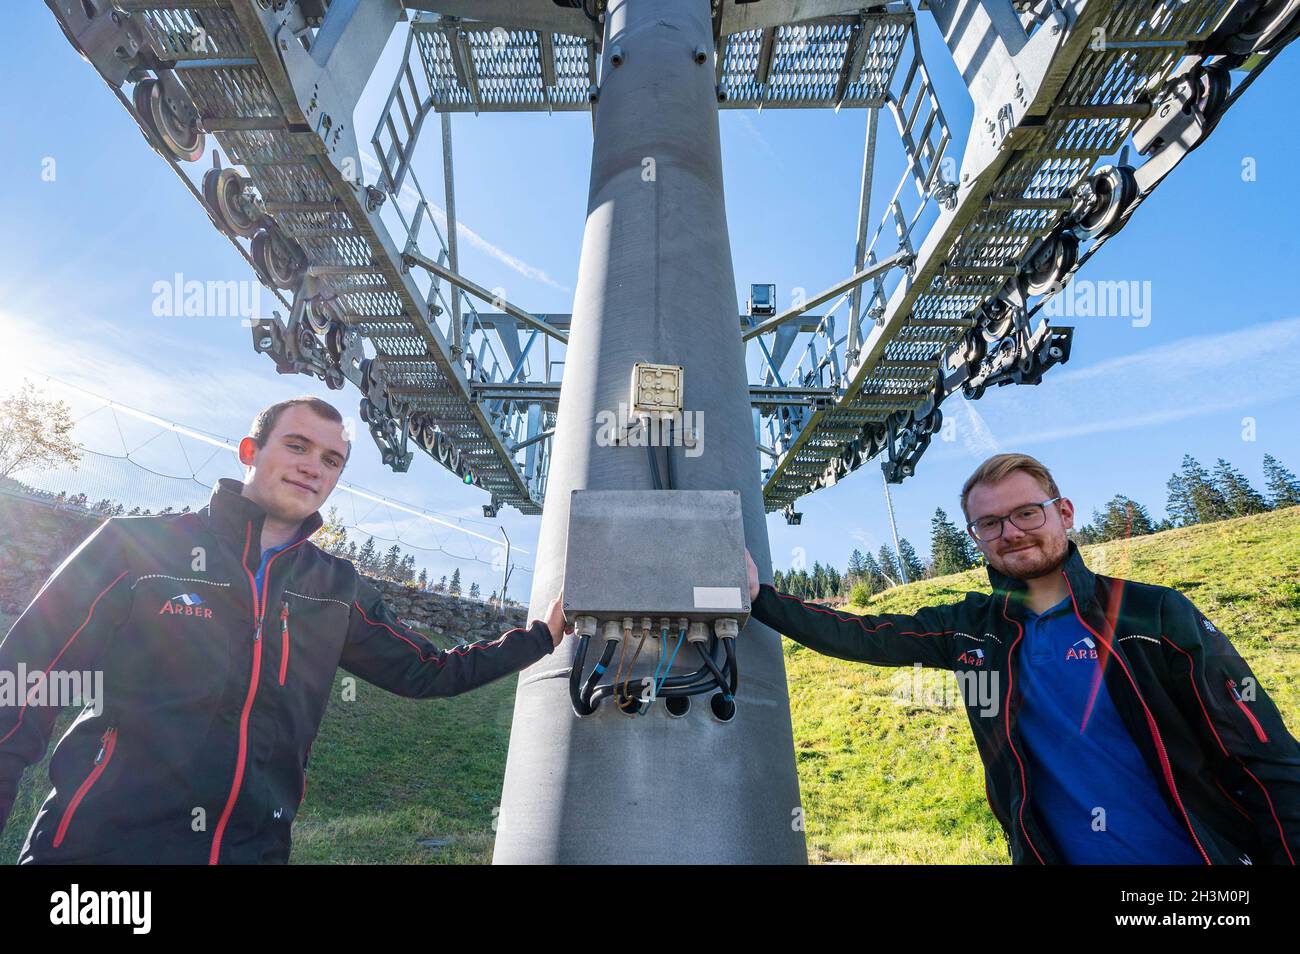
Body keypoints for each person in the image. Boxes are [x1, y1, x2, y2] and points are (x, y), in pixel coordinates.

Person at [0, 395, 570, 864]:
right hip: (100, 854)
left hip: (252, 853)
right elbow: (24, 687)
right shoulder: (138, 547)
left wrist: (542, 635)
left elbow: (429, 672)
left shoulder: (335, 589)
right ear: (251, 451)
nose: (312, 467)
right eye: (297, 446)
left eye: (331, 460)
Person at [746, 452, 1300, 864]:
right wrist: (758, 598)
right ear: (976, 536)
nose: (1010, 533)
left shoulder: (1153, 615)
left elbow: (1267, 757)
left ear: (1063, 513)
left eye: (1027, 514)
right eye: (990, 523)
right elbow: (864, 633)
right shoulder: (972, 630)